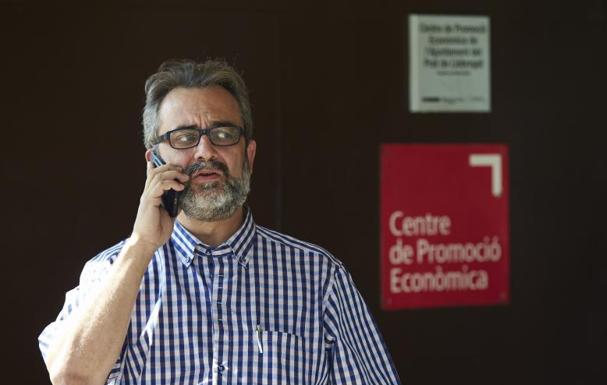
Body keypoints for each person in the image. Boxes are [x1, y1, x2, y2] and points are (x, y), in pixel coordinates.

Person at [38, 59, 401, 385]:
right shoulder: (110, 272)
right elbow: (72, 379)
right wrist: (141, 246)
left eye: (223, 134)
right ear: (153, 162)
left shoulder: (318, 276)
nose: (205, 151)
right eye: (183, 137)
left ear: (249, 156)